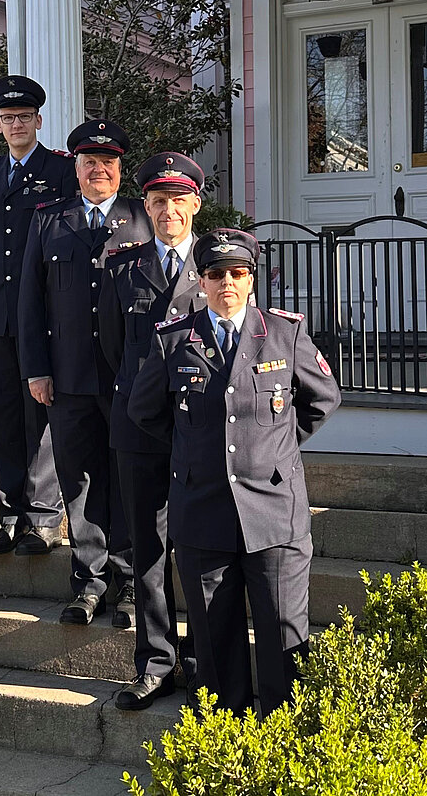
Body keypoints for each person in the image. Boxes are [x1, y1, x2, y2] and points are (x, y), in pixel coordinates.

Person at [128, 228, 341, 718]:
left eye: (237, 273)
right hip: (203, 511)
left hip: (274, 513)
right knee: (215, 641)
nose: (227, 282)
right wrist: (196, 452)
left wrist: (275, 450)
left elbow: (323, 399)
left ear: (251, 280)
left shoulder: (284, 334)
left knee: (283, 635)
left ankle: (286, 739)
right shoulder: (174, 340)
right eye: (215, 273)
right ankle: (229, 742)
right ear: (201, 281)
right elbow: (145, 411)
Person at [17, 120, 152, 627]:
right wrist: (36, 370)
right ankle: (89, 584)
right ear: (75, 169)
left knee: (129, 479)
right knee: (78, 483)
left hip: (128, 379)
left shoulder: (144, 219)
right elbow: (30, 303)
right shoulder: (49, 220)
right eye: (89, 162)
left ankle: (130, 581)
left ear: (120, 168)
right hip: (69, 378)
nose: (99, 170)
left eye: (107, 162)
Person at [99, 152, 207, 711]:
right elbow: (112, 347)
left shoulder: (219, 267)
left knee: (202, 548)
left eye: (178, 201)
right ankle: (155, 662)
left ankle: (205, 661)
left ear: (196, 205)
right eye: (159, 201)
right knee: (148, 549)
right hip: (139, 428)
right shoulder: (123, 267)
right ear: (145, 205)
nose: (169, 211)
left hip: (199, 427)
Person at [0, 75, 76, 556]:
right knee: (5, 415)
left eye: (23, 117)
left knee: (41, 413)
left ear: (38, 121)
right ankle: (10, 516)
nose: (16, 124)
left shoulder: (61, 170)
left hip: (42, 310)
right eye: (7, 118)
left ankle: (42, 518)